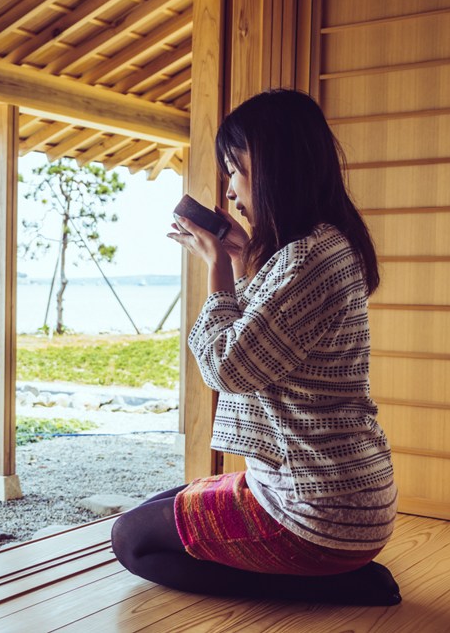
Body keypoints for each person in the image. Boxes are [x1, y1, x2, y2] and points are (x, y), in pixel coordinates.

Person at [111, 89, 401, 606]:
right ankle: (333, 573)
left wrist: (219, 272)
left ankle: (333, 585)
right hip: (347, 495)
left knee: (131, 541)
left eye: (235, 170)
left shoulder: (306, 258)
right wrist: (245, 263)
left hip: (317, 511)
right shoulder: (322, 247)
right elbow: (265, 339)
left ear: (274, 169)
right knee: (165, 502)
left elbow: (228, 367)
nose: (229, 191)